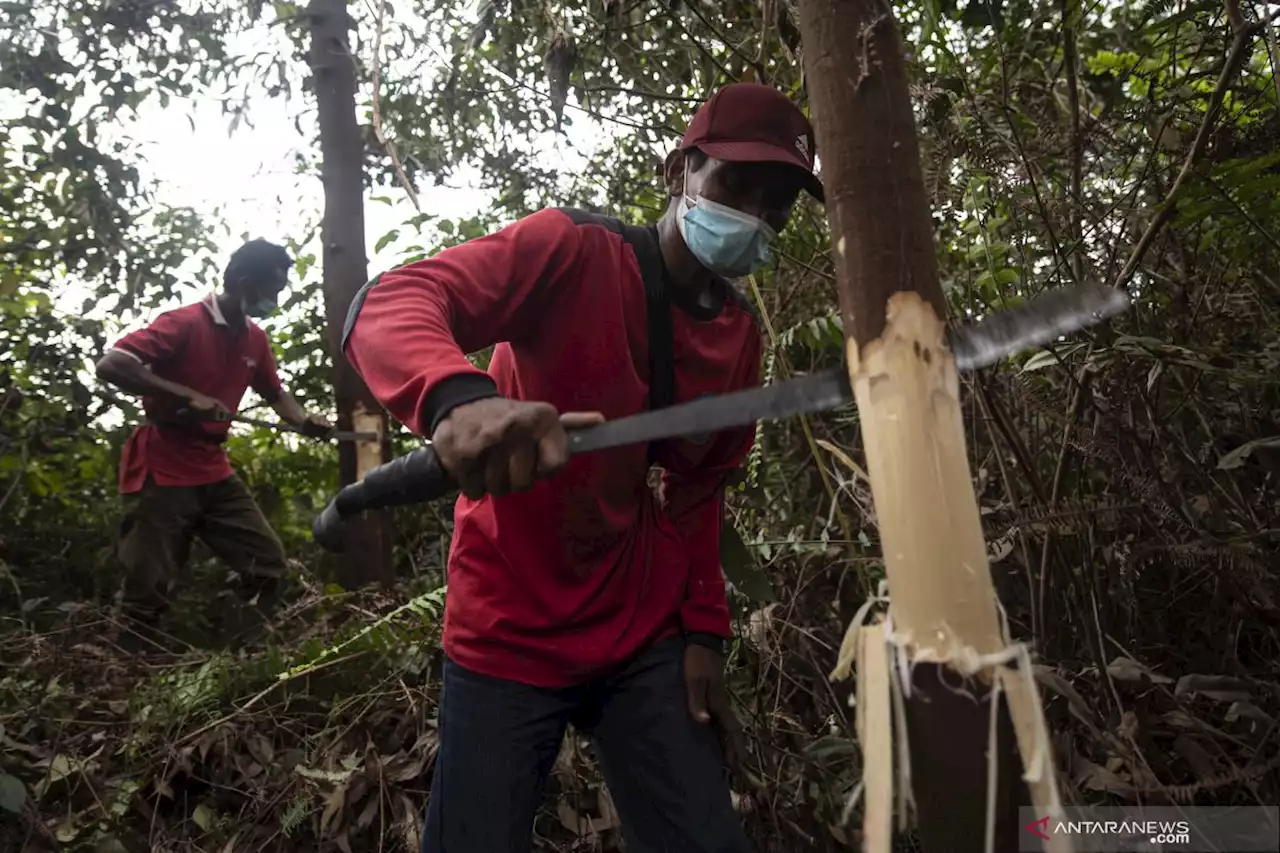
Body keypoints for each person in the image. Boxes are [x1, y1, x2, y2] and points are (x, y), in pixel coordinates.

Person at [343, 83, 824, 853]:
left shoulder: (738, 340)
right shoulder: (570, 252)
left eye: (777, 205)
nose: (755, 218)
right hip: (508, 624)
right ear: (681, 172)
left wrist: (704, 629)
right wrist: (459, 399)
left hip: (641, 631)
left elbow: (699, 491)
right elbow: (395, 300)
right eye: (737, 185)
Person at [95, 239, 333, 626]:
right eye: (270, 292)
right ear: (242, 283)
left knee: (268, 563)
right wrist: (188, 395)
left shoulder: (254, 338)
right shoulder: (185, 323)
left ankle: (240, 647)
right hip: (164, 466)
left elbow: (276, 394)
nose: (274, 300)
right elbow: (113, 364)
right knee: (148, 583)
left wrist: (305, 422)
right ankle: (127, 666)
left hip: (213, 469)